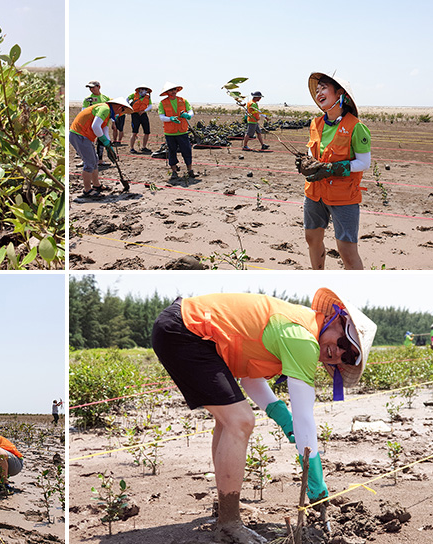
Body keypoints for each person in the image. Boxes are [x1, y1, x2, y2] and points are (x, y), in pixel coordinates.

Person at [151, 289, 376, 544]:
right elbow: (304, 418)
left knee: (228, 422)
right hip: (187, 330)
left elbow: (250, 377)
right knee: (240, 420)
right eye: (343, 342)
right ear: (337, 319)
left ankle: (225, 511)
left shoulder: (300, 327)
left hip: (182, 326)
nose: (338, 353)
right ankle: (229, 524)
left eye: (349, 355)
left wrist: (281, 416)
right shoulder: (303, 339)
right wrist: (315, 477)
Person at [296, 72, 371, 271]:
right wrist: (305, 162)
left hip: (343, 197)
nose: (319, 92)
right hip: (314, 193)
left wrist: (334, 168)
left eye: (324, 88)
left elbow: (364, 163)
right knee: (312, 239)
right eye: (317, 89)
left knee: (347, 250)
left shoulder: (356, 127)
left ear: (340, 94)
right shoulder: (316, 124)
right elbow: (312, 153)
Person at [69, 97, 134, 197]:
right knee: (89, 162)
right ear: (119, 107)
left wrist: (108, 144)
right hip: (79, 135)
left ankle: (96, 185)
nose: (120, 114)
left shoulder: (107, 113)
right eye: (122, 111)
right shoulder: (105, 109)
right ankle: (87, 190)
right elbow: (95, 126)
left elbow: (104, 129)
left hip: (86, 137)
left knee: (95, 161)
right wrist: (103, 140)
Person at [157, 82, 195, 180]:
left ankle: (190, 170)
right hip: (170, 132)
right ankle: (174, 171)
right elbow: (161, 117)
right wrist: (170, 118)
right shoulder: (163, 103)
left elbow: (191, 111)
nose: (173, 92)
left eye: (174, 90)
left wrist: (188, 115)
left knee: (187, 151)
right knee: (172, 151)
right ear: (167, 92)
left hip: (182, 131)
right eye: (171, 90)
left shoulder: (183, 100)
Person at [82, 81, 111, 165]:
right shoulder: (87, 99)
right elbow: (83, 111)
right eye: (90, 88)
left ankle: (100, 160)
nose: (91, 89)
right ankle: (85, 160)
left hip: (103, 124)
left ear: (99, 87)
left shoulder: (106, 98)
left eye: (93, 87)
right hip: (90, 124)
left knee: (101, 141)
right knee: (88, 142)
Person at [128, 86, 153, 154]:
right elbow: (127, 99)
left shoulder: (148, 97)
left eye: (145, 89)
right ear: (139, 90)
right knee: (134, 132)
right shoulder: (134, 95)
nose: (143, 90)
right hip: (135, 114)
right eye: (142, 89)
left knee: (147, 132)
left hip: (143, 114)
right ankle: (132, 148)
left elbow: (150, 106)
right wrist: (129, 107)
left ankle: (144, 147)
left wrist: (144, 111)